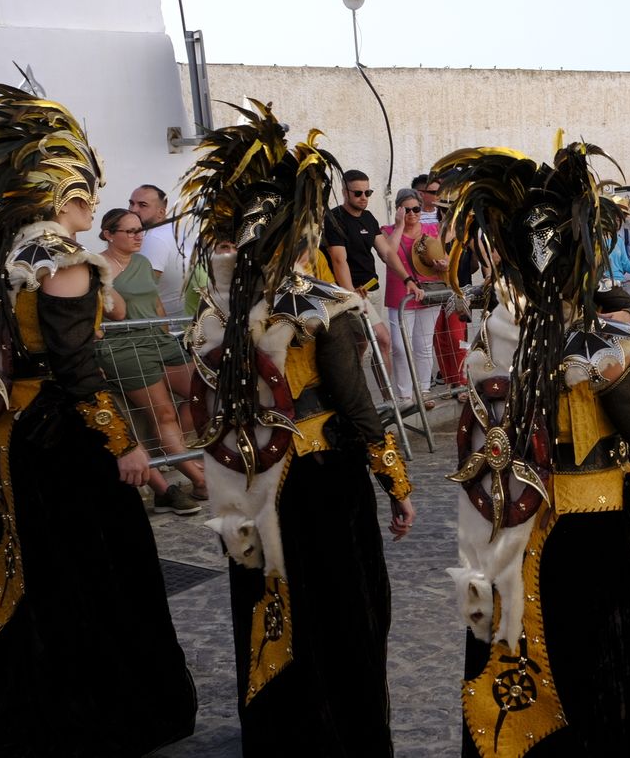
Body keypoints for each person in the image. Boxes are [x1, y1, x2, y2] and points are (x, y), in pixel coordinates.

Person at [433, 140, 630, 756]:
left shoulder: (489, 342)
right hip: (594, 549)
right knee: (607, 697)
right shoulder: (601, 348)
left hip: (508, 544)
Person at [0, 81, 196, 756]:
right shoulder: (64, 263)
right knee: (98, 563)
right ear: (58, 197)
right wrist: (123, 444)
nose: (91, 206)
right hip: (58, 435)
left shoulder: (1, 261)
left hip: (7, 437)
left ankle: (24, 683)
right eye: (83, 194)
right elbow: (78, 366)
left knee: (25, 561)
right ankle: (86, 699)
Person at [182, 101, 416, 756]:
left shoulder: (221, 305)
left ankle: (281, 730)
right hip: (319, 477)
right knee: (342, 612)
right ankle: (340, 733)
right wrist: (396, 481)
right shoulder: (323, 303)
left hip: (253, 483)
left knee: (271, 604)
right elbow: (356, 400)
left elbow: (204, 389)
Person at [95, 208, 205, 514]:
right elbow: (114, 313)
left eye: (139, 229)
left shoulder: (142, 261)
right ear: (108, 234)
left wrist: (166, 331)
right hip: (124, 346)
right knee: (164, 414)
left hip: (158, 341)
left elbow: (154, 301)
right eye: (129, 231)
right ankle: (197, 479)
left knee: (204, 390)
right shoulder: (97, 266)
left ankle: (177, 452)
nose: (138, 235)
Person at [322, 169, 425, 377]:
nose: (363, 198)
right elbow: (338, 260)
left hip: (372, 290)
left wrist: (408, 279)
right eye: (357, 193)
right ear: (344, 192)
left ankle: (362, 393)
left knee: (361, 344)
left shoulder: (368, 218)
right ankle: (388, 399)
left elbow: (386, 251)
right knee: (383, 340)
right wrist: (351, 297)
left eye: (367, 193)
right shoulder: (335, 219)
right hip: (353, 292)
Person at [382, 188, 448, 408]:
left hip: (428, 293)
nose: (412, 214)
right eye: (407, 209)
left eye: (416, 209)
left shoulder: (432, 229)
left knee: (424, 345)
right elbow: (387, 255)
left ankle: (423, 390)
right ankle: (404, 395)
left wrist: (443, 265)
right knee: (400, 347)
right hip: (400, 295)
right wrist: (400, 226)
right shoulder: (387, 231)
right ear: (399, 209)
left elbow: (444, 257)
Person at [129, 183, 187, 317]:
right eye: (131, 203)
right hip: (183, 322)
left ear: (161, 212)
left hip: (164, 328)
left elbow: (141, 291)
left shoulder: (154, 238)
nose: (133, 209)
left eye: (142, 205)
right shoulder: (174, 230)